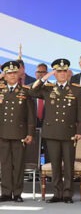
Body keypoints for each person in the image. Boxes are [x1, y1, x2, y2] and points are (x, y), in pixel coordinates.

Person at [30, 58, 81, 204]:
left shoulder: (76, 89)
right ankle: (56, 193)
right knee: (55, 164)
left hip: (69, 132)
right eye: (59, 71)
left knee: (68, 164)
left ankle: (67, 193)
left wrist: (80, 130)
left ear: (68, 73)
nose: (62, 74)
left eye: (64, 71)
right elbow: (32, 91)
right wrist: (45, 77)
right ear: (55, 73)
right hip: (52, 132)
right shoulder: (47, 88)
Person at [0, 61, 35, 202]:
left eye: (14, 73)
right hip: (2, 133)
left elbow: (31, 115)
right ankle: (6, 193)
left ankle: (18, 193)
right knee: (5, 164)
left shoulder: (25, 91)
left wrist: (30, 133)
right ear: (5, 76)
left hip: (19, 133)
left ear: (19, 74)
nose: (12, 76)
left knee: (18, 164)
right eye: (9, 73)